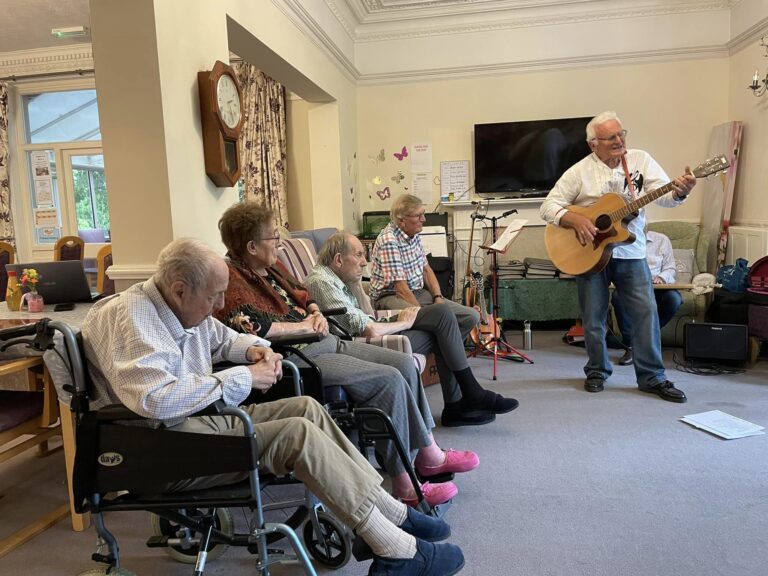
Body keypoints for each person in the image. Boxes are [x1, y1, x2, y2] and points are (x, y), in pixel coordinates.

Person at [81, 238, 465, 576]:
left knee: (307, 409)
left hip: (191, 428)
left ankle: (392, 516)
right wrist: (245, 378)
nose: (219, 305)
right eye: (214, 296)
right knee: (295, 435)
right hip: (160, 450)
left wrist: (252, 348)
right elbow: (155, 399)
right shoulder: (132, 317)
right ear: (180, 290)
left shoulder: (176, 304)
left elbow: (222, 337)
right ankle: (395, 551)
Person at [215, 201, 478, 508]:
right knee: (388, 380)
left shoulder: (272, 266)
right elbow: (251, 327)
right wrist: (303, 326)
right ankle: (406, 485)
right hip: (299, 357)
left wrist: (313, 310)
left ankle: (429, 455)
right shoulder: (230, 280)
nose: (278, 242)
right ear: (251, 246)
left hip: (325, 339)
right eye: (273, 237)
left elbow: (302, 291)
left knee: (405, 364)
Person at [540, 111, 695, 403]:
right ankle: (597, 371)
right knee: (593, 317)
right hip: (589, 254)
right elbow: (548, 207)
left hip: (632, 252)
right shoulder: (578, 172)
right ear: (593, 144)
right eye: (611, 137)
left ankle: (653, 377)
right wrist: (575, 220)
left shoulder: (641, 160)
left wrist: (679, 193)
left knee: (645, 315)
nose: (619, 140)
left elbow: (664, 196)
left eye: (621, 134)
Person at [305, 231, 519, 427]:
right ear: (339, 260)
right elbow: (366, 329)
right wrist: (405, 323)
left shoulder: (338, 276)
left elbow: (365, 313)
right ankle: (465, 399)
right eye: (359, 255)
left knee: (442, 317)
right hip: (360, 343)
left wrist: (356, 283)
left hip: (374, 326)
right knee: (443, 325)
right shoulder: (321, 281)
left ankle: (463, 401)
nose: (364, 262)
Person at [368, 194, 480, 335]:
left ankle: (438, 354)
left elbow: (426, 270)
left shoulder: (414, 234)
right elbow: (401, 288)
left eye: (423, 214)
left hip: (418, 292)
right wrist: (426, 312)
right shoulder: (389, 240)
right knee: (437, 318)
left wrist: (438, 297)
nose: (424, 220)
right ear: (401, 220)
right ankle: (437, 353)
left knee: (471, 317)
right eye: (418, 216)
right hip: (391, 296)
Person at [612, 230, 683, 366]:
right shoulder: (621, 240)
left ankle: (642, 340)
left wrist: (661, 277)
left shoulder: (662, 239)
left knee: (674, 299)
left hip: (658, 287)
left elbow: (671, 268)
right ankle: (631, 345)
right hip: (632, 286)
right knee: (617, 297)